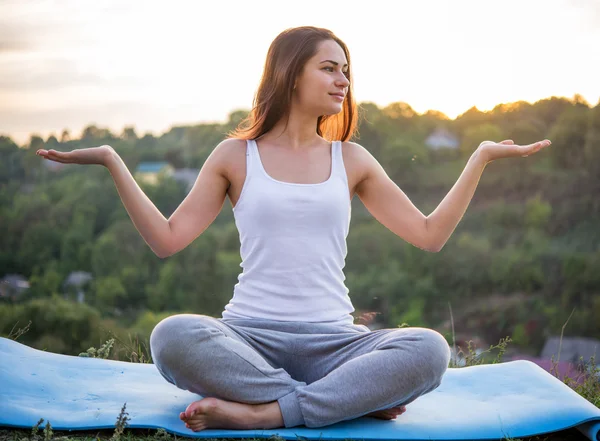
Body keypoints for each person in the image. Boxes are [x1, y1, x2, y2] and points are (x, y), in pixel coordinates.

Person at [36, 26, 551, 433]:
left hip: (335, 344)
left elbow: (429, 234)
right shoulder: (235, 156)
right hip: (247, 339)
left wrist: (480, 157)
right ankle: (342, 401)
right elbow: (167, 240)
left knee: (430, 350)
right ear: (290, 75)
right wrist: (111, 161)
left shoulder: (352, 158)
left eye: (346, 70)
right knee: (171, 337)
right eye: (328, 68)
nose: (343, 81)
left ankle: (265, 412)